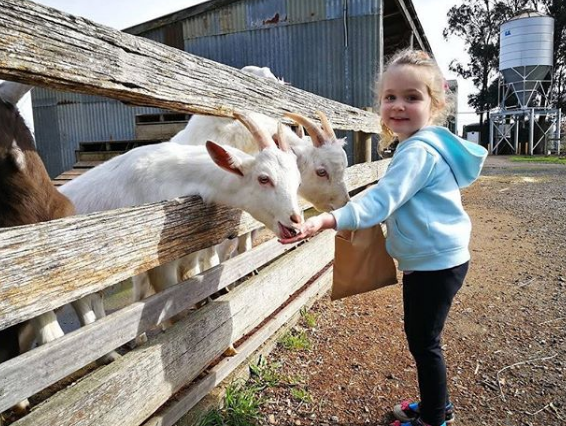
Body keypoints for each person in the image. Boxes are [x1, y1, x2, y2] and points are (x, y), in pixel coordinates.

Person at [279, 48, 488, 426]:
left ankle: (433, 418)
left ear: (435, 103)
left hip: (434, 263)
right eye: (390, 97)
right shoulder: (422, 146)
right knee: (427, 339)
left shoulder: (417, 153)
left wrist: (329, 220)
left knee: (424, 342)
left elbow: (381, 199)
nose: (398, 106)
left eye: (412, 97)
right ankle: (436, 405)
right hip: (439, 258)